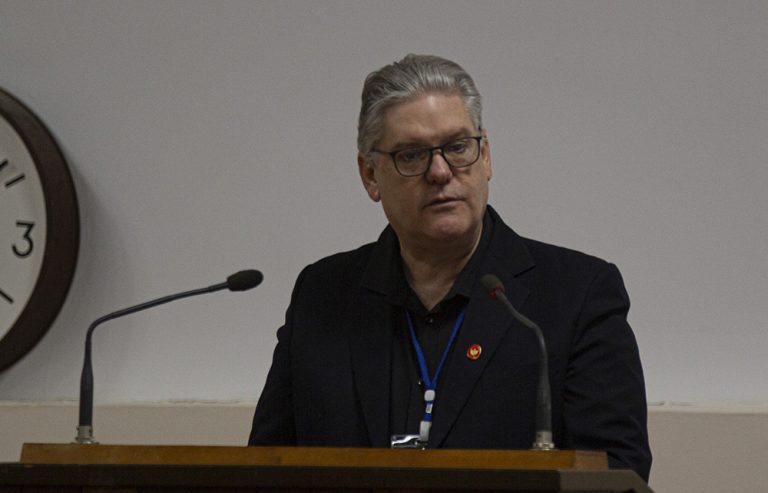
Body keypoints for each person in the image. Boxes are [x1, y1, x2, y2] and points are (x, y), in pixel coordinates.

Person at [248, 54, 652, 481]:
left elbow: (616, 474)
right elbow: (265, 469)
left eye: (458, 147)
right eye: (412, 155)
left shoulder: (576, 295)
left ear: (486, 157)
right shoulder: (323, 295)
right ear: (370, 175)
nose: (440, 172)